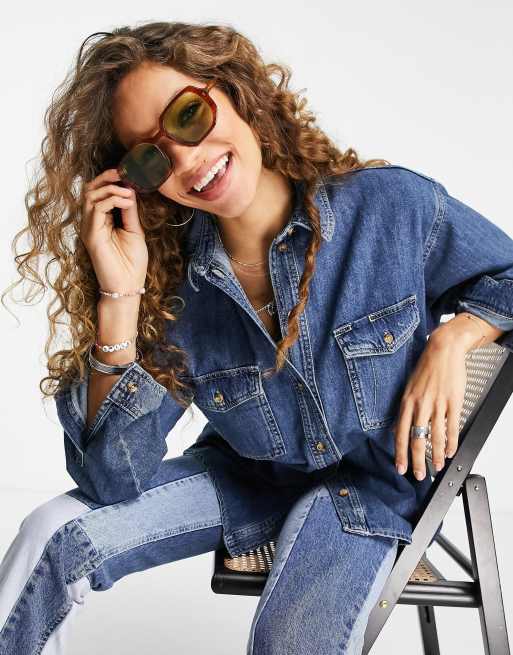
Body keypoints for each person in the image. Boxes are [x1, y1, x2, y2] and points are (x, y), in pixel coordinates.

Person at [1, 21, 513, 655]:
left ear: (235, 91)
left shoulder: (389, 208)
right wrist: (119, 297)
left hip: (370, 498)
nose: (186, 159)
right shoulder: (172, 286)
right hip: (247, 483)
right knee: (52, 533)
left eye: (188, 115)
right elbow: (111, 481)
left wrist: (454, 338)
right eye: (149, 158)